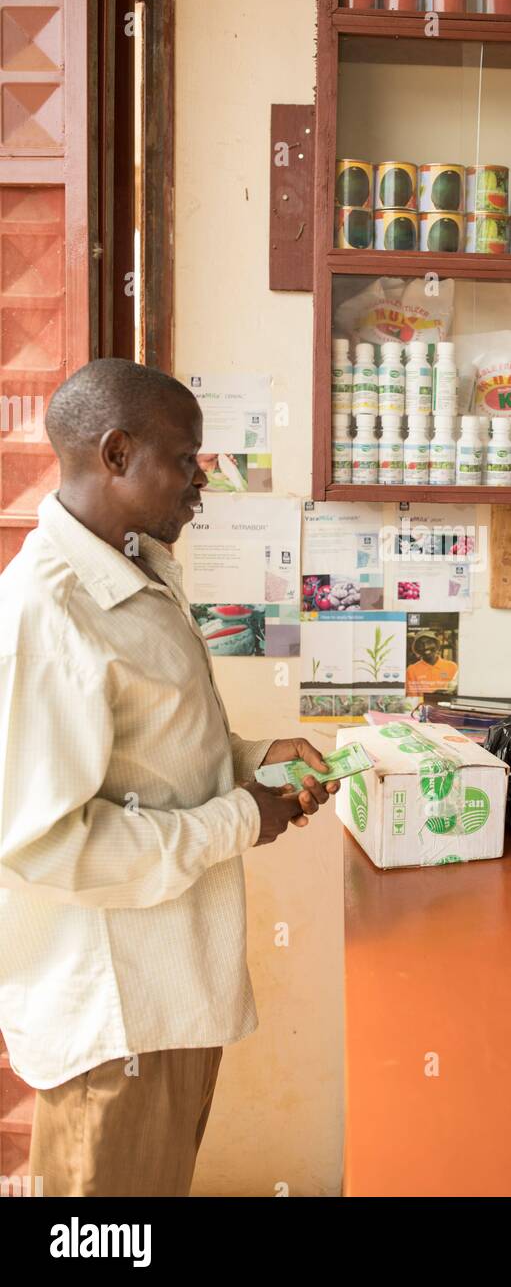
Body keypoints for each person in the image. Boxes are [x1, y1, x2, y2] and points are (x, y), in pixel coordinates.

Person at [0, 357, 340, 1196]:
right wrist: (239, 819)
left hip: (172, 996)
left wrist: (254, 759)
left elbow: (156, 755)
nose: (201, 483)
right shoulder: (48, 613)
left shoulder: (138, 570)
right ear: (116, 454)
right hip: (116, 1026)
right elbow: (45, 843)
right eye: (185, 461)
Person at [405, 631, 458, 697]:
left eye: (429, 642)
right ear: (417, 649)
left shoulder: (452, 667)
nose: (425, 647)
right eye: (421, 645)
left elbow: (456, 693)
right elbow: (412, 697)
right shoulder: (411, 670)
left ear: (436, 645)